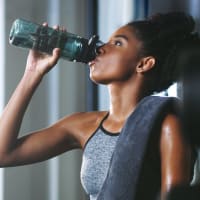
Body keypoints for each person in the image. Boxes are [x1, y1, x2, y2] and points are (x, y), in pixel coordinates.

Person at [0, 12, 197, 200]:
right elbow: (3, 154)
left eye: (117, 43)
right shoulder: (84, 125)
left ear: (144, 64)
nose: (100, 48)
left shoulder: (167, 125)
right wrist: (33, 72)